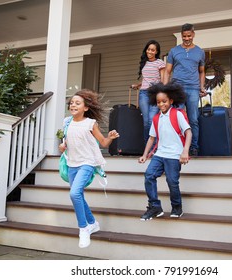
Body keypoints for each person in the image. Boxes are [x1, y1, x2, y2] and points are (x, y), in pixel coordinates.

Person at [58, 89, 119, 248]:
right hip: (72, 163)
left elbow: (104, 143)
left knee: (74, 193)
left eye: (77, 103)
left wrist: (110, 138)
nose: (73, 105)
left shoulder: (90, 123)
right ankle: (93, 223)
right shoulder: (66, 122)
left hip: (87, 163)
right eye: (71, 103)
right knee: (78, 195)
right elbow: (65, 143)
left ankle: (83, 228)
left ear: (85, 107)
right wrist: (62, 146)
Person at [138, 82, 192, 221]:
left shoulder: (178, 114)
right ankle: (155, 206)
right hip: (160, 154)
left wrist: (185, 151)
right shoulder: (156, 118)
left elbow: (189, 132)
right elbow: (151, 138)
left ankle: (177, 207)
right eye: (158, 102)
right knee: (149, 175)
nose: (161, 104)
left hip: (175, 155)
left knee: (172, 181)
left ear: (171, 101)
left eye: (164, 101)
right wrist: (145, 155)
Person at [164, 23, 206, 156]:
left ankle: (194, 147)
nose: (187, 39)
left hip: (193, 88)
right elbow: (167, 71)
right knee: (178, 118)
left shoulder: (200, 52)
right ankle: (179, 145)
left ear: (193, 34)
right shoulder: (174, 51)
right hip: (177, 88)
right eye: (184, 36)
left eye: (189, 36)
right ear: (181, 36)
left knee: (193, 119)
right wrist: (165, 89)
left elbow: (202, 72)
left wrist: (202, 86)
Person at [131, 39, 166, 143]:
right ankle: (148, 146)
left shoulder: (160, 63)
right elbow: (146, 79)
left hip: (155, 94)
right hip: (143, 93)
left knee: (152, 120)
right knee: (146, 121)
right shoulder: (144, 62)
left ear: (156, 52)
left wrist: (163, 93)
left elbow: (163, 80)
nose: (150, 52)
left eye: (153, 50)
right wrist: (137, 85)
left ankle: (154, 146)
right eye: (149, 49)